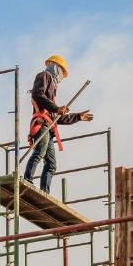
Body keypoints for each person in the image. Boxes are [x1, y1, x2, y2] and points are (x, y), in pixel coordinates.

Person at [24, 55, 93, 194]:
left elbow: (57, 118)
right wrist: (56, 108)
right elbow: (37, 95)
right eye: (62, 72)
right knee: (40, 153)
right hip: (41, 123)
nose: (62, 77)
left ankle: (45, 192)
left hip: (49, 127)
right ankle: (27, 179)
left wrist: (78, 117)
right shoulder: (43, 76)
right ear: (56, 68)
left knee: (51, 164)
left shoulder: (52, 93)